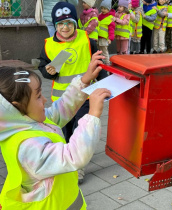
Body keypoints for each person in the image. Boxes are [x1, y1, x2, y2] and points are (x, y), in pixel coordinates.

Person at [0, 53, 111, 209]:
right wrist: (92, 115)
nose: (45, 99)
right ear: (16, 106)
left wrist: (84, 81)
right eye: (39, 96)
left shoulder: (25, 120)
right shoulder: (27, 147)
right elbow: (73, 156)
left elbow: (59, 110)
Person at [38, 2, 108, 184]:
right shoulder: (48, 45)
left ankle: (78, 168)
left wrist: (105, 84)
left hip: (84, 95)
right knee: (65, 131)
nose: (65, 27)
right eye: (60, 24)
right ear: (55, 25)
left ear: (75, 23)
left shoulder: (87, 40)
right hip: (60, 99)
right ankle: (67, 158)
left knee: (81, 128)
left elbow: (99, 64)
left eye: (69, 23)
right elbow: (42, 67)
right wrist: (48, 71)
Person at [98, 0, 116, 64]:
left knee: (104, 51)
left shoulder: (110, 18)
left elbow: (111, 29)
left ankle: (107, 64)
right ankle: (101, 63)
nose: (103, 10)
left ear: (108, 9)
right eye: (102, 8)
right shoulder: (99, 16)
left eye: (105, 9)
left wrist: (110, 38)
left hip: (104, 38)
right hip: (98, 37)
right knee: (99, 51)